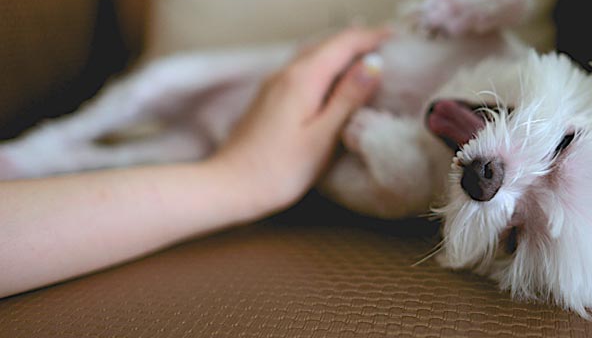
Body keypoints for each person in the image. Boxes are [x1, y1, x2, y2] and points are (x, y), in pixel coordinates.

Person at [0, 27, 389, 299]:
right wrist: (240, 180)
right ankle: (44, 151)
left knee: (139, 151)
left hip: (224, 151)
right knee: (156, 87)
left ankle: (45, 154)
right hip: (248, 125)